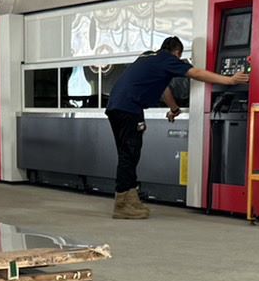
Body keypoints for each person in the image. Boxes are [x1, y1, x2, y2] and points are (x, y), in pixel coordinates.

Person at [103, 36, 249, 219]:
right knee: (129, 154)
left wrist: (174, 109)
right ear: (177, 53)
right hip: (129, 108)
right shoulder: (168, 59)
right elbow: (196, 73)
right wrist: (230, 80)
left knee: (127, 154)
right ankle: (122, 205)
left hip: (115, 107)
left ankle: (130, 199)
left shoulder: (148, 57)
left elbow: (163, 89)